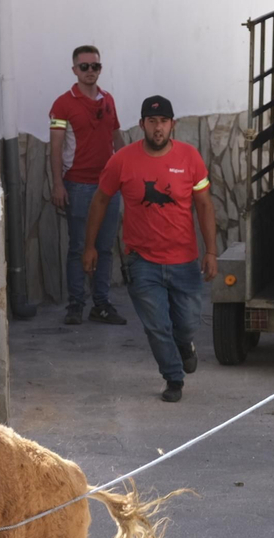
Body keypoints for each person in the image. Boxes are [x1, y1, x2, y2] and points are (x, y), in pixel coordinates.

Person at [83, 95, 218, 403]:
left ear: (173, 125)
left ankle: (185, 346)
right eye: (152, 122)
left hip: (184, 260)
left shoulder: (190, 158)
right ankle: (173, 377)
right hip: (141, 260)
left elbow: (204, 204)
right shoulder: (122, 160)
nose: (158, 128)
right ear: (142, 124)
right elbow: (100, 200)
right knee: (157, 326)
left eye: (164, 122)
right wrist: (89, 246)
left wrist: (211, 252)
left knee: (187, 323)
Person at [49, 44, 126, 326]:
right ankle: (75, 304)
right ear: (74, 70)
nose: (90, 71)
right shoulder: (62, 104)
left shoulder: (109, 100)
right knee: (79, 247)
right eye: (85, 67)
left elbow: (116, 137)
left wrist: (129, 172)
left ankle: (101, 305)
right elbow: (55, 148)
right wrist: (58, 184)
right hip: (78, 186)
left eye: (95, 66)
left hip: (108, 186)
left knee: (104, 248)